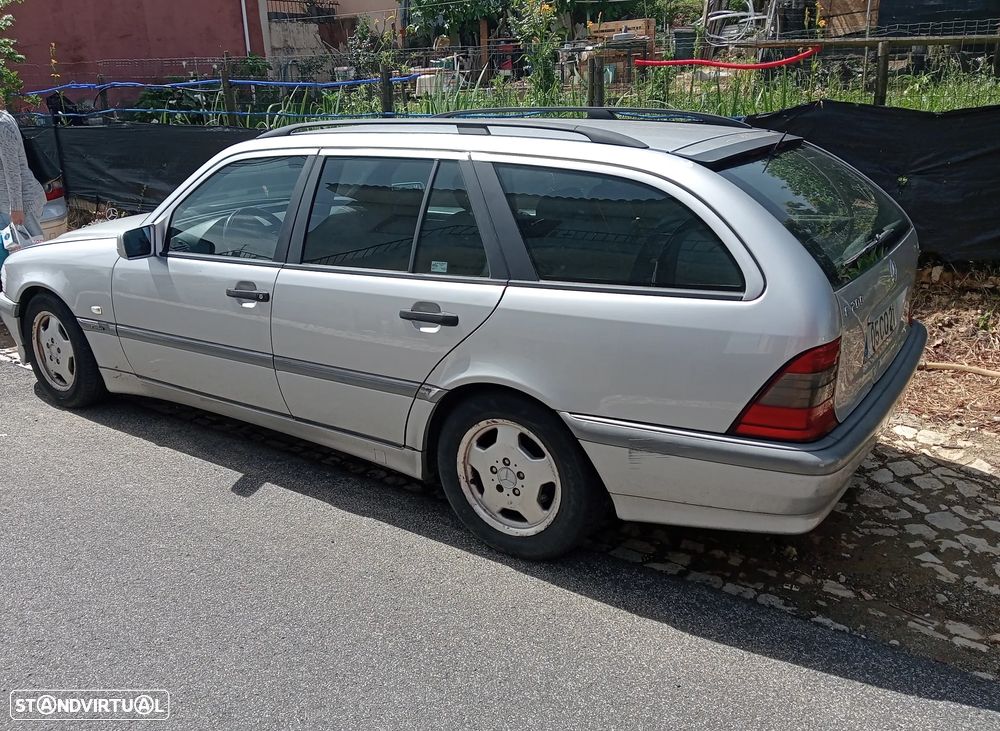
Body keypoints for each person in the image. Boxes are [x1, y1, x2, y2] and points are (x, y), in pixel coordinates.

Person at [0, 99, 46, 253]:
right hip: (6, 206)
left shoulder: (2, 124)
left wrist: (17, 208)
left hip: (20, 206)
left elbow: (12, 170)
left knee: (31, 258)